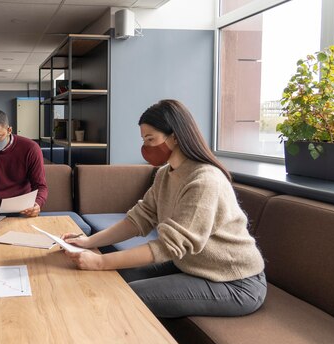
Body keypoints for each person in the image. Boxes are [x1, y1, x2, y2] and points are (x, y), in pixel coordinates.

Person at [61, 99, 266, 318]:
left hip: (235, 282)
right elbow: (139, 219)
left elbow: (170, 246)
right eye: (143, 140)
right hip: (192, 266)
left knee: (123, 297)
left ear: (175, 137)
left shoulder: (205, 180)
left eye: (151, 139)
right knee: (112, 278)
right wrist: (88, 241)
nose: (145, 147)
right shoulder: (165, 175)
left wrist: (100, 261)